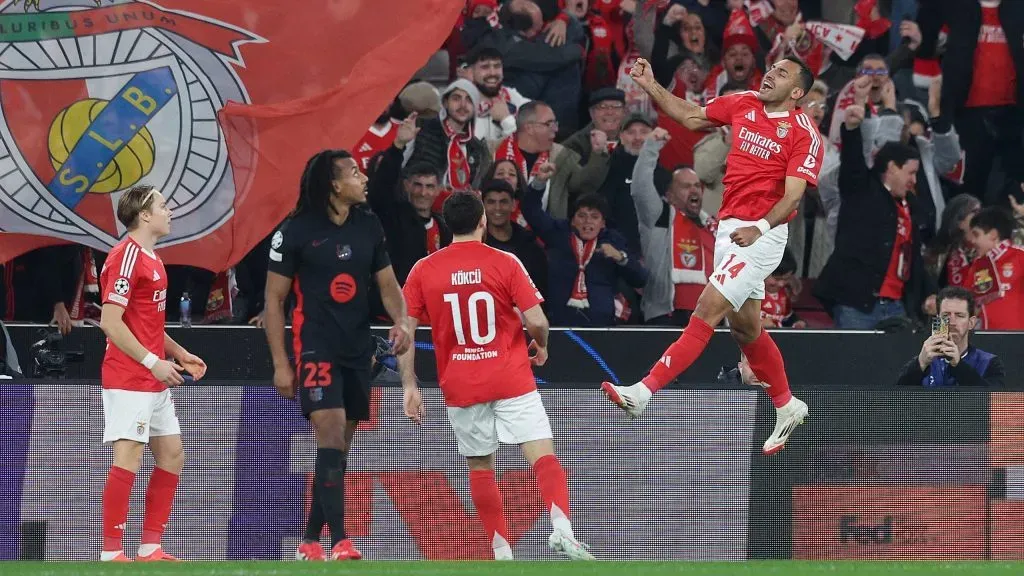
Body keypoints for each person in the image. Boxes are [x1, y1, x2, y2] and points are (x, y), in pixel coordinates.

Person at [601, 56, 823, 456]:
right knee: (746, 330)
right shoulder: (745, 102)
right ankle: (787, 404)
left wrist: (760, 228)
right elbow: (691, 117)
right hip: (730, 230)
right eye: (771, 67)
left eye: (782, 73)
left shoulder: (804, 133)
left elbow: (792, 196)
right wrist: (651, 85)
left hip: (761, 236)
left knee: (707, 309)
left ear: (797, 93)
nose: (770, 72)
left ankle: (642, 391)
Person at [398, 192, 594, 561]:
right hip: (510, 377)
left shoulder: (423, 270)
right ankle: (563, 531)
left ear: (445, 224)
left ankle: (501, 553)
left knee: (480, 467)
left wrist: (409, 385)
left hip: (460, 384)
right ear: (483, 221)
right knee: (542, 456)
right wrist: (543, 345)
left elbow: (404, 333)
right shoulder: (504, 261)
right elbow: (536, 320)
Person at [264, 150, 412, 561]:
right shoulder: (294, 231)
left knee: (337, 450)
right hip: (315, 344)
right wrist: (280, 364)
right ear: (333, 184)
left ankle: (309, 539)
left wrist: (400, 321)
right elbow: (273, 301)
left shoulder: (368, 223)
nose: (363, 178)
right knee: (329, 436)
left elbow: (387, 283)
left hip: (357, 348)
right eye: (354, 172)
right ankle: (340, 541)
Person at [98, 184, 208, 562]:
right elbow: (110, 322)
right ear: (144, 215)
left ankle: (150, 547)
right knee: (129, 454)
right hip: (129, 377)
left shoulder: (153, 259)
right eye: (162, 205)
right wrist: (152, 362)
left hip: (152, 376)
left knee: (172, 453)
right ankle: (111, 553)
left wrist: (178, 353)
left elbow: (146, 323)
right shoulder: (124, 258)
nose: (169, 210)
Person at [895, 287, 1004, 387]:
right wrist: (920, 364)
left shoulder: (989, 363)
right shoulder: (923, 360)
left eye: (959, 315)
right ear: (937, 320)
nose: (951, 322)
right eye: (946, 315)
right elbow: (898, 401)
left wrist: (958, 365)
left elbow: (992, 402)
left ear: (971, 322)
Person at [966, 207, 1024, 330]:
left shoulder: (1020, 257)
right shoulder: (978, 265)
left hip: (1019, 342)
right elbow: (965, 303)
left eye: (976, 234)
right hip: (986, 341)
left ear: (993, 235)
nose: (972, 241)